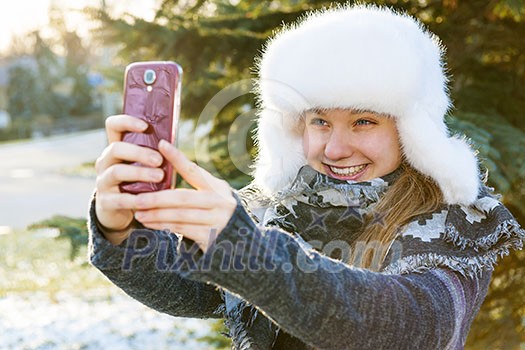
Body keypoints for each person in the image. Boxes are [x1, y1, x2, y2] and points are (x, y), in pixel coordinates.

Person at [88, 4, 524, 349]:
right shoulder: (284, 209)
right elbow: (185, 286)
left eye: (363, 122)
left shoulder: (455, 224)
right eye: (319, 121)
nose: (334, 149)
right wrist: (121, 228)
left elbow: (407, 326)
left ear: (411, 130)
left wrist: (251, 254)